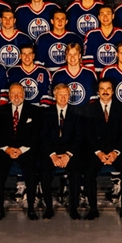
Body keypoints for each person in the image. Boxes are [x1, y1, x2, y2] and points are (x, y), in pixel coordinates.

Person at [0, 83, 42, 220]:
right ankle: (0, 209)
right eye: (13, 93)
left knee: (31, 173)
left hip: (25, 150)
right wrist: (7, 149)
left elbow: (36, 135)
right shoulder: (0, 111)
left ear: (24, 95)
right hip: (6, 150)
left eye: (19, 93)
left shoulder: (35, 111)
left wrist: (21, 150)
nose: (16, 96)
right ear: (8, 96)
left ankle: (31, 208)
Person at [84, 79, 122, 220]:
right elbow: (88, 135)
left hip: (116, 151)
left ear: (112, 91)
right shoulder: (90, 109)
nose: (105, 92)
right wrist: (99, 153)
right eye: (102, 89)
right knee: (88, 170)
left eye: (108, 89)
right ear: (98, 92)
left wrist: (115, 152)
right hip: (97, 151)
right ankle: (93, 209)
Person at [39, 83, 83, 220]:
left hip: (69, 154)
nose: (63, 98)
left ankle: (74, 208)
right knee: (44, 173)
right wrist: (53, 156)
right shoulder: (46, 113)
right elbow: (43, 137)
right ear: (54, 95)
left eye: (65, 95)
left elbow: (79, 137)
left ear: (69, 96)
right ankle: (49, 208)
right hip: (51, 154)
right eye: (60, 95)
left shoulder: (76, 113)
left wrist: (68, 155)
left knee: (76, 173)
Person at [82, 3, 122, 74]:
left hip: (117, 74)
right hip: (98, 74)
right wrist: (93, 76)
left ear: (113, 16)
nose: (105, 17)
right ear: (99, 17)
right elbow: (87, 60)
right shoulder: (91, 35)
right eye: (102, 14)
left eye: (108, 14)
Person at [50, 42, 98, 107]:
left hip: (85, 114)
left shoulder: (89, 74)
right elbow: (54, 99)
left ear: (79, 56)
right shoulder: (58, 75)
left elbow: (94, 98)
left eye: (75, 54)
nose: (72, 58)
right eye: (70, 54)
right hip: (65, 114)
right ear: (66, 57)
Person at [34, 8, 82, 73]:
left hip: (68, 75)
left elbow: (80, 62)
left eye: (62, 19)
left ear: (66, 21)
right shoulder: (43, 38)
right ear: (52, 21)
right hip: (50, 75)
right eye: (57, 19)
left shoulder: (75, 38)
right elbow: (38, 64)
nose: (60, 22)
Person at [7, 42, 52, 107]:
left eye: (29, 54)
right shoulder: (12, 71)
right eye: (24, 54)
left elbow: (47, 95)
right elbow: (9, 94)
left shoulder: (43, 71)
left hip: (38, 109)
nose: (27, 57)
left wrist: (42, 111)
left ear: (33, 56)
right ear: (20, 56)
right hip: (19, 108)